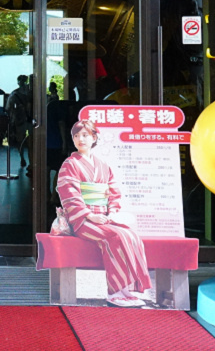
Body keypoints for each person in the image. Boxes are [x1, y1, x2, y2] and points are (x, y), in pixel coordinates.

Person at [57, 119, 152, 308]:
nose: (80, 139)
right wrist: (88, 215)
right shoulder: (70, 164)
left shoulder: (103, 165)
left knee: (131, 236)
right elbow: (69, 193)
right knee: (115, 236)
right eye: (76, 136)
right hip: (82, 221)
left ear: (94, 138)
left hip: (104, 217)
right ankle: (114, 292)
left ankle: (126, 289)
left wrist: (113, 212)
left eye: (85, 135)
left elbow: (113, 192)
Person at [5, 74, 33, 174]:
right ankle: (30, 162)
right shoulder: (32, 93)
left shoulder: (14, 94)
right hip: (29, 120)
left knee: (21, 141)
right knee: (30, 142)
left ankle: (23, 158)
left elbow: (8, 108)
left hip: (20, 120)